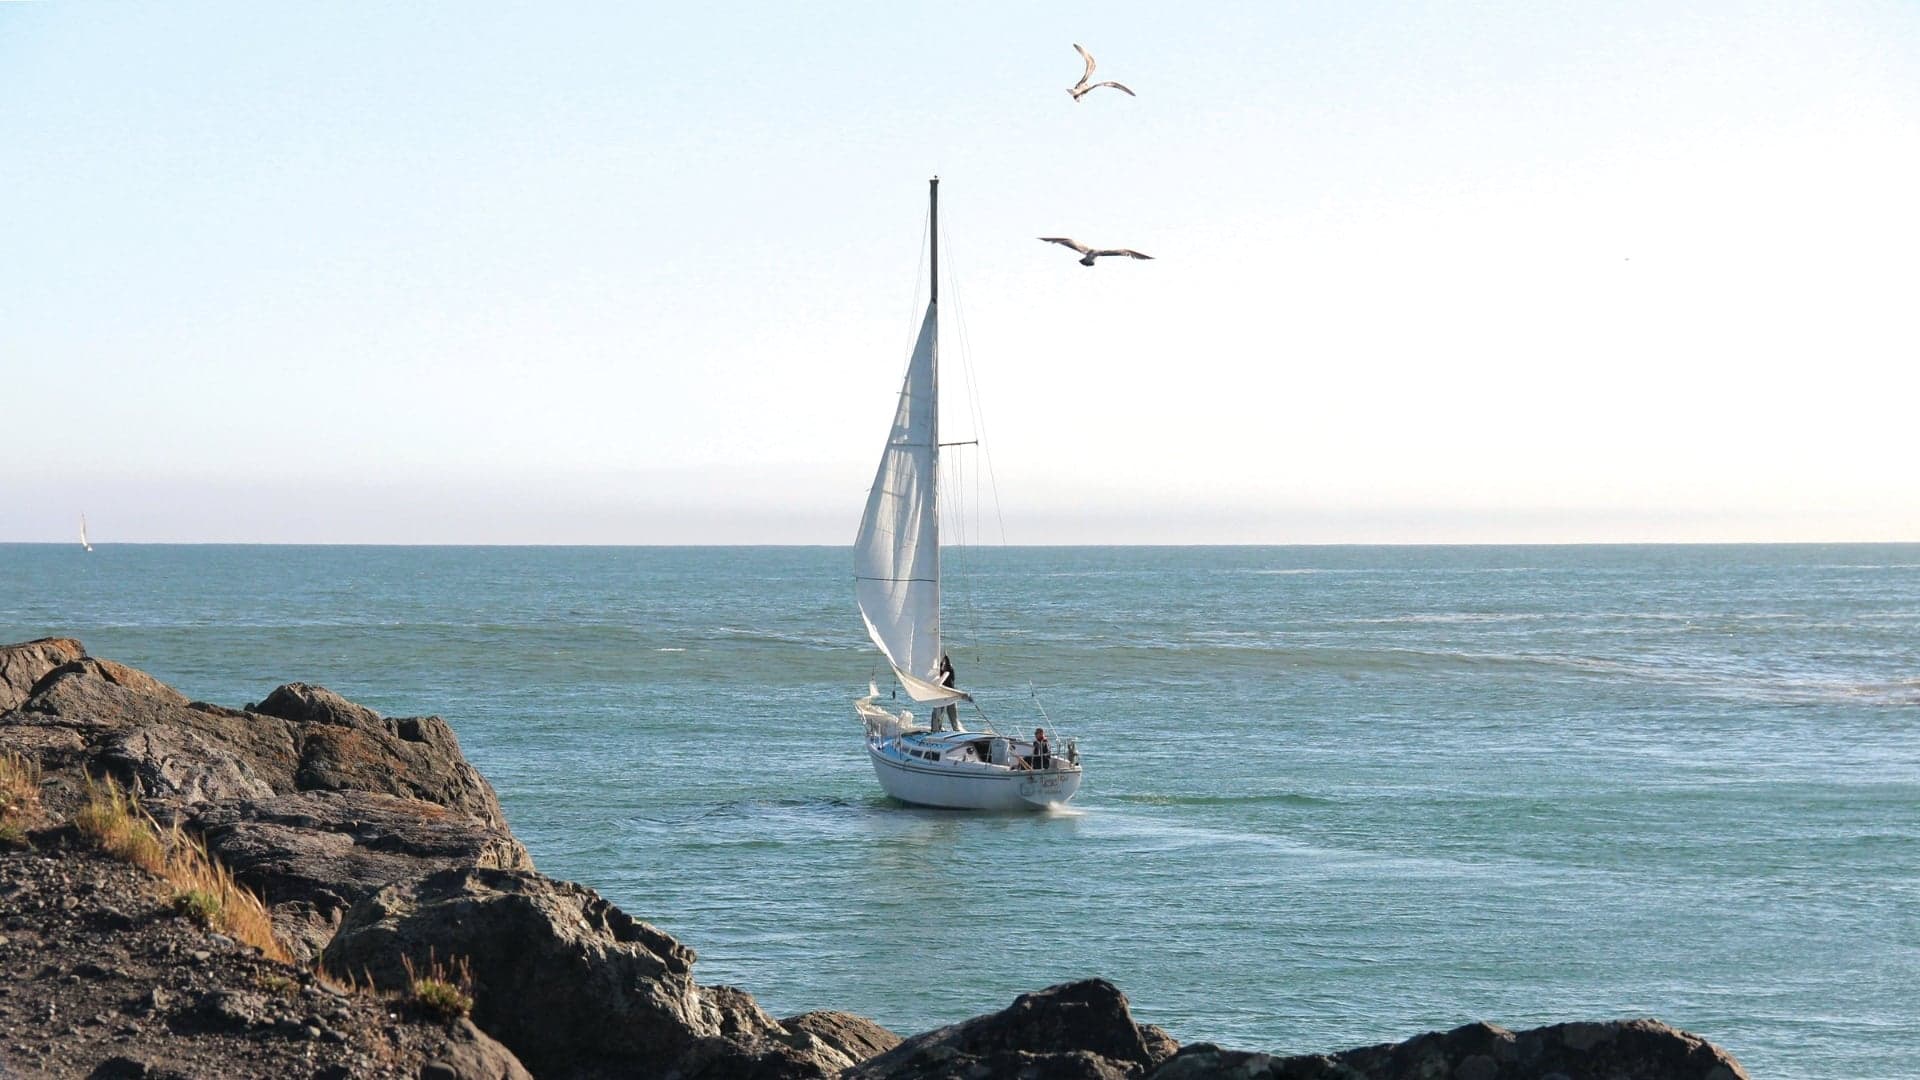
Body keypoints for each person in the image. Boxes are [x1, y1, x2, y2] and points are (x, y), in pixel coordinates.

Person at [935, 653, 958, 731]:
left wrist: (946, 656)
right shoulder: (941, 672)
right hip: (941, 695)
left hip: (950, 695)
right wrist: (941, 660)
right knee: (938, 714)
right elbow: (939, 669)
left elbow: (948, 666)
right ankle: (936, 729)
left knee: (952, 714)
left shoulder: (950, 671)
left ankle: (956, 729)